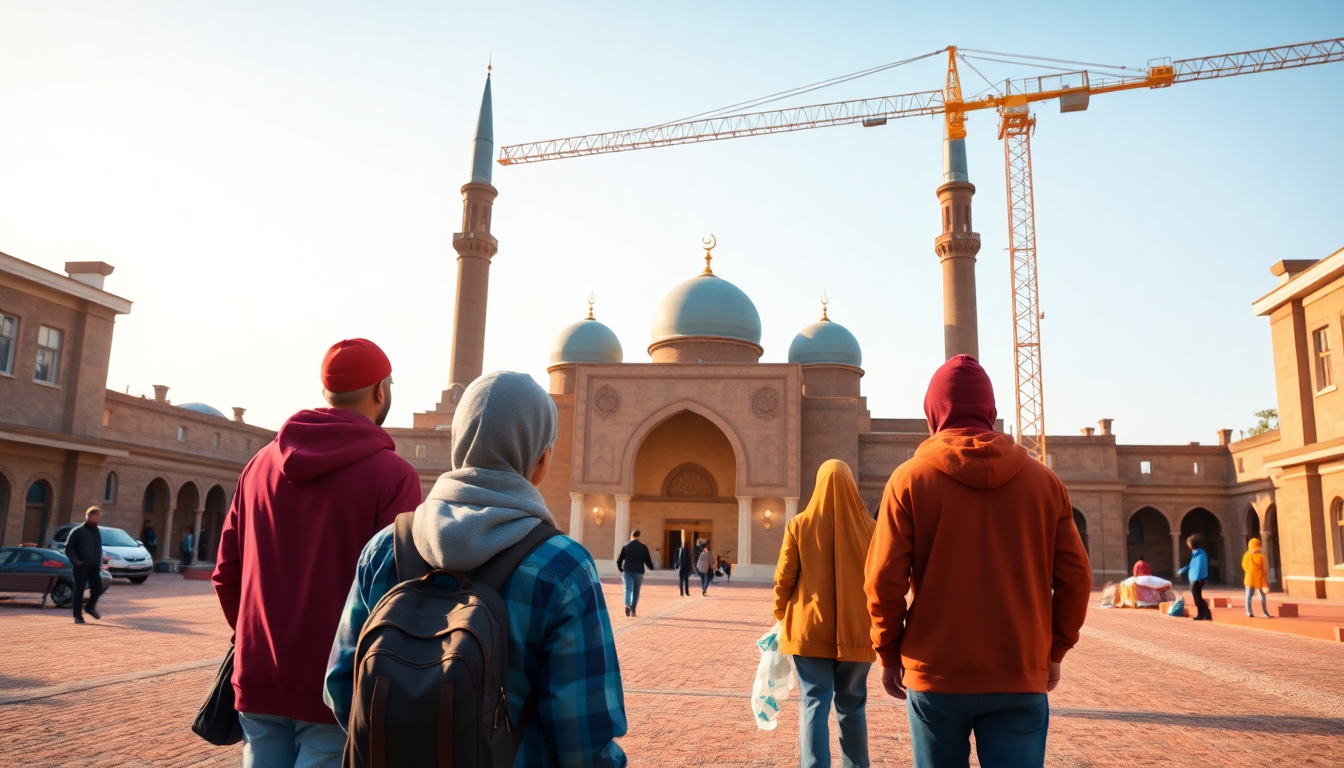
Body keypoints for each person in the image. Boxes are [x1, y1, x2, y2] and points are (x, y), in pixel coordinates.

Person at [324, 371, 627, 766]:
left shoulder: (386, 548)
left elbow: (341, 686)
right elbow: (583, 736)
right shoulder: (563, 568)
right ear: (541, 458)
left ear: (458, 443)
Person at [865, 355, 1092, 768]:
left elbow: (884, 581)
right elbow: (1077, 579)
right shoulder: (1044, 483)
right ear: (990, 410)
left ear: (933, 412)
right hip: (1019, 669)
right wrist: (1054, 651)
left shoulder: (910, 479)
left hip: (936, 672)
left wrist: (888, 652)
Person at [213, 338, 423, 767]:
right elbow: (397, 592)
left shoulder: (259, 466)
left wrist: (260, 642)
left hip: (259, 677)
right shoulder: (393, 476)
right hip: (337, 684)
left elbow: (226, 572)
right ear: (381, 391)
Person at [774, 459, 876, 768]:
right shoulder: (872, 529)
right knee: (852, 706)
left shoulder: (800, 524)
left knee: (814, 704)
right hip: (857, 633)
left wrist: (781, 614)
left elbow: (784, 578)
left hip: (809, 632)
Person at [65, 506, 105, 624]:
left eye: (99, 517)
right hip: (81, 566)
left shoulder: (97, 531)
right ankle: (77, 616)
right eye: (96, 517)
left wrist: (101, 559)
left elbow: (97, 548)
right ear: (88, 517)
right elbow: (69, 548)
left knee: (97, 588)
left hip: (94, 566)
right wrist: (76, 561)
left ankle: (89, 607)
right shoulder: (78, 531)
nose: (98, 519)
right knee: (79, 590)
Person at [617, 528, 654, 617]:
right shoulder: (643, 547)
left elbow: (619, 560)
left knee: (628, 589)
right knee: (636, 591)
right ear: (639, 536)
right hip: (639, 571)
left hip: (628, 571)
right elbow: (647, 560)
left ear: (631, 536)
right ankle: (633, 609)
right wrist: (651, 567)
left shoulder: (626, 546)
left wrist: (621, 569)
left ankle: (627, 604)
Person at [1178, 535, 1212, 621]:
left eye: (1189, 543)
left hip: (1197, 578)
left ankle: (1201, 614)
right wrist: (1181, 571)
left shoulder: (1200, 554)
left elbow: (1201, 567)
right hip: (1194, 577)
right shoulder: (1195, 554)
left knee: (1197, 598)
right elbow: (1191, 565)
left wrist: (1201, 578)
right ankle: (1207, 614)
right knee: (1198, 597)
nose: (1188, 545)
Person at [1242, 538, 1273, 618]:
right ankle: (1265, 612)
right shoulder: (1261, 555)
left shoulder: (1247, 555)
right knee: (1261, 597)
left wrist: (1250, 570)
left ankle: (1249, 612)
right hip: (1258, 579)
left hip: (1250, 579)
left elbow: (1243, 566)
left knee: (1249, 597)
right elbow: (1264, 568)